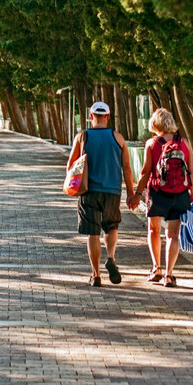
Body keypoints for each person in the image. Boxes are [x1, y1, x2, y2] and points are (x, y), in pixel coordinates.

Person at [66, 101, 137, 287]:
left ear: (91, 117)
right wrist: (131, 194)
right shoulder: (118, 138)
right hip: (112, 191)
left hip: (89, 191)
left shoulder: (82, 137)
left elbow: (70, 165)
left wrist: (72, 185)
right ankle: (111, 257)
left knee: (93, 233)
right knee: (111, 227)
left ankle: (96, 275)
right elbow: (127, 169)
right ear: (107, 116)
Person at [130, 108, 193, 288]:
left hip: (157, 193)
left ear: (155, 123)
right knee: (173, 235)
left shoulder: (152, 143)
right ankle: (169, 274)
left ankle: (156, 268)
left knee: (153, 230)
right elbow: (190, 172)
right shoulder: (184, 143)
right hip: (180, 193)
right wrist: (192, 194)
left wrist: (137, 194)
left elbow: (145, 173)